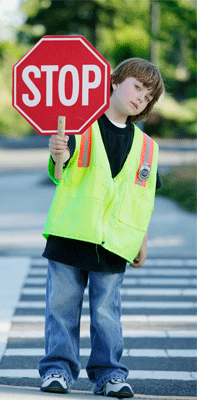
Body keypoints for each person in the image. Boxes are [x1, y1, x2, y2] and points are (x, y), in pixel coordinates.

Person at [38, 57, 164, 398]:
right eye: (137, 87)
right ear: (115, 81)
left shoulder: (148, 148)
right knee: (61, 308)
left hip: (114, 242)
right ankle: (57, 370)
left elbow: (143, 200)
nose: (141, 97)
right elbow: (60, 171)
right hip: (71, 234)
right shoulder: (81, 127)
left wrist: (142, 242)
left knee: (107, 313)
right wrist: (58, 153)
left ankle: (109, 375)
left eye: (148, 96)